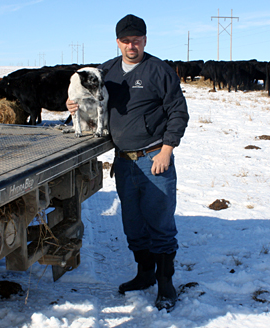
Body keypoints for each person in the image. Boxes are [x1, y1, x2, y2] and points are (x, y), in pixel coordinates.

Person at [66, 14, 189, 312]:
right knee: (133, 224)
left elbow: (178, 112)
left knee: (159, 223)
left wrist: (166, 150)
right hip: (123, 162)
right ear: (117, 41)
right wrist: (73, 105)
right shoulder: (106, 71)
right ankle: (144, 274)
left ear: (145, 40)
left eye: (136, 40)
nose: (131, 45)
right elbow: (89, 98)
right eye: (125, 40)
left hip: (153, 159)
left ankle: (166, 284)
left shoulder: (159, 71)